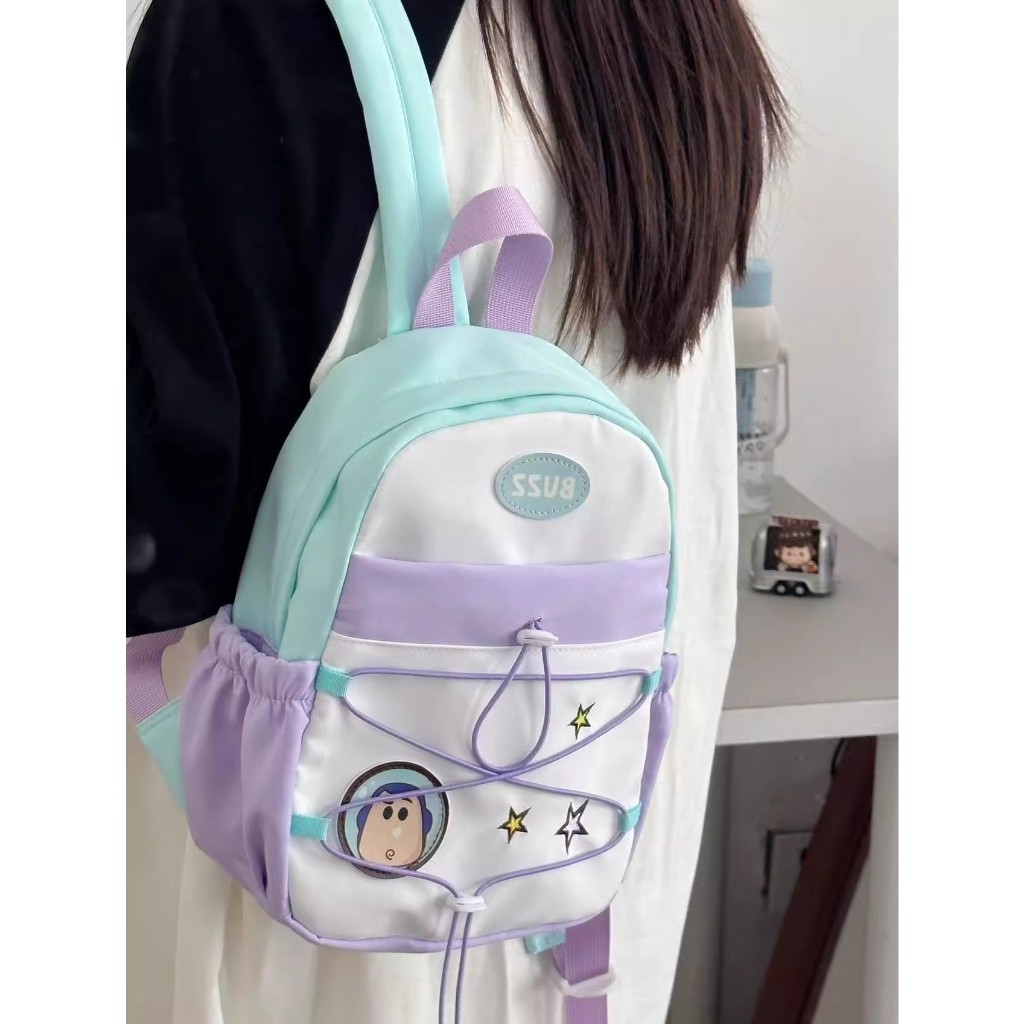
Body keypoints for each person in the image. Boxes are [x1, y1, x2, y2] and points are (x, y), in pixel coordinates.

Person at [127, 2, 787, 1021]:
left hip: (306, 934)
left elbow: (154, 545)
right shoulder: (683, 34)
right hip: (582, 878)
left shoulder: (263, 27)